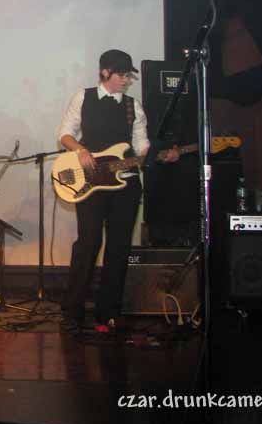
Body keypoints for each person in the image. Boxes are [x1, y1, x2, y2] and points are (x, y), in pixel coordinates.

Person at [57, 49, 179, 333]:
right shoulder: (83, 97)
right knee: (88, 242)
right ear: (105, 73)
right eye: (122, 75)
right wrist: (81, 150)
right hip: (90, 183)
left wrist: (161, 155)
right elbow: (64, 134)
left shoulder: (133, 106)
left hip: (126, 184)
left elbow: (142, 145)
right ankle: (73, 311)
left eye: (128, 76)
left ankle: (108, 312)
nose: (126, 80)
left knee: (119, 246)